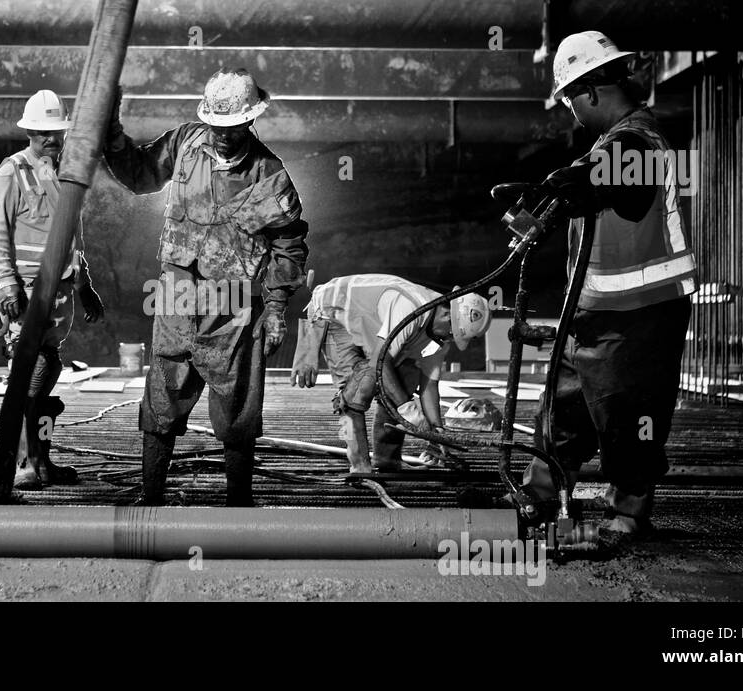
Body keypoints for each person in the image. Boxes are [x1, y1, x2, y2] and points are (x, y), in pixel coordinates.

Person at [103, 68, 309, 507]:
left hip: (232, 307)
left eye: (231, 129)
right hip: (176, 296)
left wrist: (275, 309)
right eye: (216, 126)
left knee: (236, 408)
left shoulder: (269, 175)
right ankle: (151, 498)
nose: (221, 136)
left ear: (249, 122)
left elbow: (289, 245)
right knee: (162, 399)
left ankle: (238, 506)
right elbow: (139, 174)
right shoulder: (185, 143)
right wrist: (110, 131)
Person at [522, 30, 697, 536]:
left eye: (570, 101)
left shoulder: (638, 140)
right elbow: (595, 175)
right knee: (562, 408)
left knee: (627, 415)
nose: (571, 113)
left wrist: (570, 182)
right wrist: (554, 194)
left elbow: (621, 177)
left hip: (642, 313)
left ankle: (628, 511)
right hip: (595, 311)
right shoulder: (608, 144)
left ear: (591, 92)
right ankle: (539, 496)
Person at [0, 89, 105, 490]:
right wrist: (7, 287)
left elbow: (74, 238)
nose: (51, 139)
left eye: (56, 132)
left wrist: (85, 284)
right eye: (42, 133)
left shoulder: (66, 175)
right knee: (30, 376)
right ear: (29, 131)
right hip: (27, 296)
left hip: (59, 298)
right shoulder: (11, 172)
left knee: (47, 370)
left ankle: (42, 460)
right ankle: (22, 464)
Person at [291, 274, 490, 474]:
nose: (451, 339)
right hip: (331, 313)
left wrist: (436, 432)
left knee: (407, 376)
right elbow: (380, 362)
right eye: (452, 333)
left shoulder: (439, 339)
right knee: (356, 389)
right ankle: (360, 467)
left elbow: (429, 386)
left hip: (369, 325)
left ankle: (387, 460)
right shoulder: (410, 308)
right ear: (447, 316)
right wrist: (407, 409)